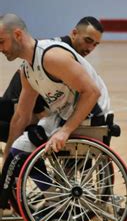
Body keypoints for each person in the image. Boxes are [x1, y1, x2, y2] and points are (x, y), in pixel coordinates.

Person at [0, 13, 109, 209]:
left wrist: (65, 131)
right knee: (18, 150)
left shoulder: (51, 56)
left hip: (94, 113)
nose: (0, 48)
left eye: (1, 41)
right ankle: (54, 200)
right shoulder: (27, 69)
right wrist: (7, 154)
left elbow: (92, 92)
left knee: (25, 148)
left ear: (17, 34)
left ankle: (55, 203)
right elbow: (21, 117)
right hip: (64, 114)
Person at [0, 16, 104, 143]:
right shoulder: (54, 54)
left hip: (88, 109)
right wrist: (42, 114)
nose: (90, 48)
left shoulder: (55, 49)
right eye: (88, 41)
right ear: (74, 33)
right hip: (16, 101)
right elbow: (36, 80)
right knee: (28, 132)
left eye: (95, 44)